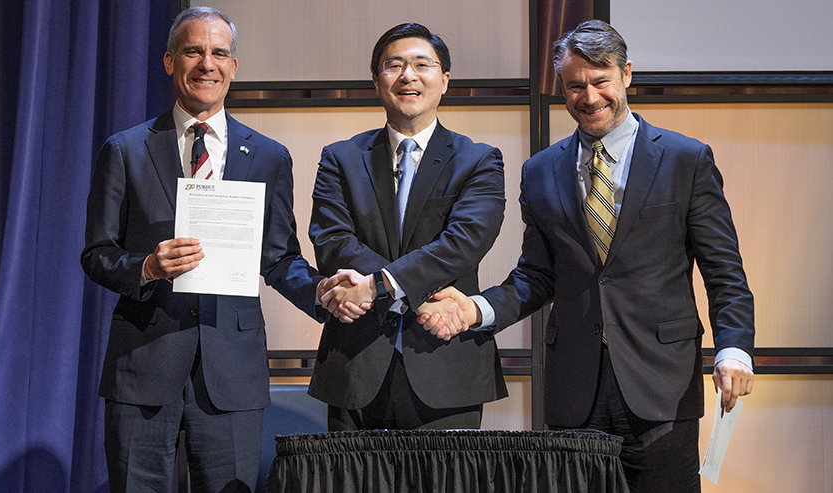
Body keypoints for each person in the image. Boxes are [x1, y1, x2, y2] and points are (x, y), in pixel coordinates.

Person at [420, 20, 755, 492]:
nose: (590, 97)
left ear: (627, 76)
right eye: (575, 86)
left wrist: (734, 349)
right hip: (574, 388)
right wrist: (475, 308)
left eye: (601, 82)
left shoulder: (686, 159)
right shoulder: (540, 171)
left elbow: (725, 273)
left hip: (661, 384)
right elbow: (536, 276)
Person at [81, 7, 362, 492]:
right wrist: (147, 266)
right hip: (144, 362)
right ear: (170, 61)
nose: (206, 64)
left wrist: (320, 290)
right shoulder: (125, 150)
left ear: (234, 67)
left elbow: (277, 258)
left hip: (231, 371)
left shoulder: (270, 157)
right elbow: (97, 253)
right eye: (193, 51)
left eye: (219, 53)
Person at [308, 23, 508, 431]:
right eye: (393, 65)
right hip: (355, 364)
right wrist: (390, 286)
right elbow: (332, 241)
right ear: (376, 80)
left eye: (422, 64)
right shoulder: (340, 158)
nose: (408, 76)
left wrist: (377, 284)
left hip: (447, 362)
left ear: (445, 80)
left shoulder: (479, 160)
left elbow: (463, 244)